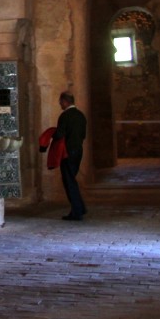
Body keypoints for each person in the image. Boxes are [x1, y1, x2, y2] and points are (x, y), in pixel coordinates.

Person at [53, 91, 87, 221]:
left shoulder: (65, 116)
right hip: (78, 150)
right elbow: (83, 135)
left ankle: (77, 211)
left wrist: (52, 135)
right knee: (71, 179)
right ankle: (79, 208)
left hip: (67, 152)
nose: (59, 104)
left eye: (61, 101)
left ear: (66, 101)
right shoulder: (81, 116)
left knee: (69, 181)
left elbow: (59, 134)